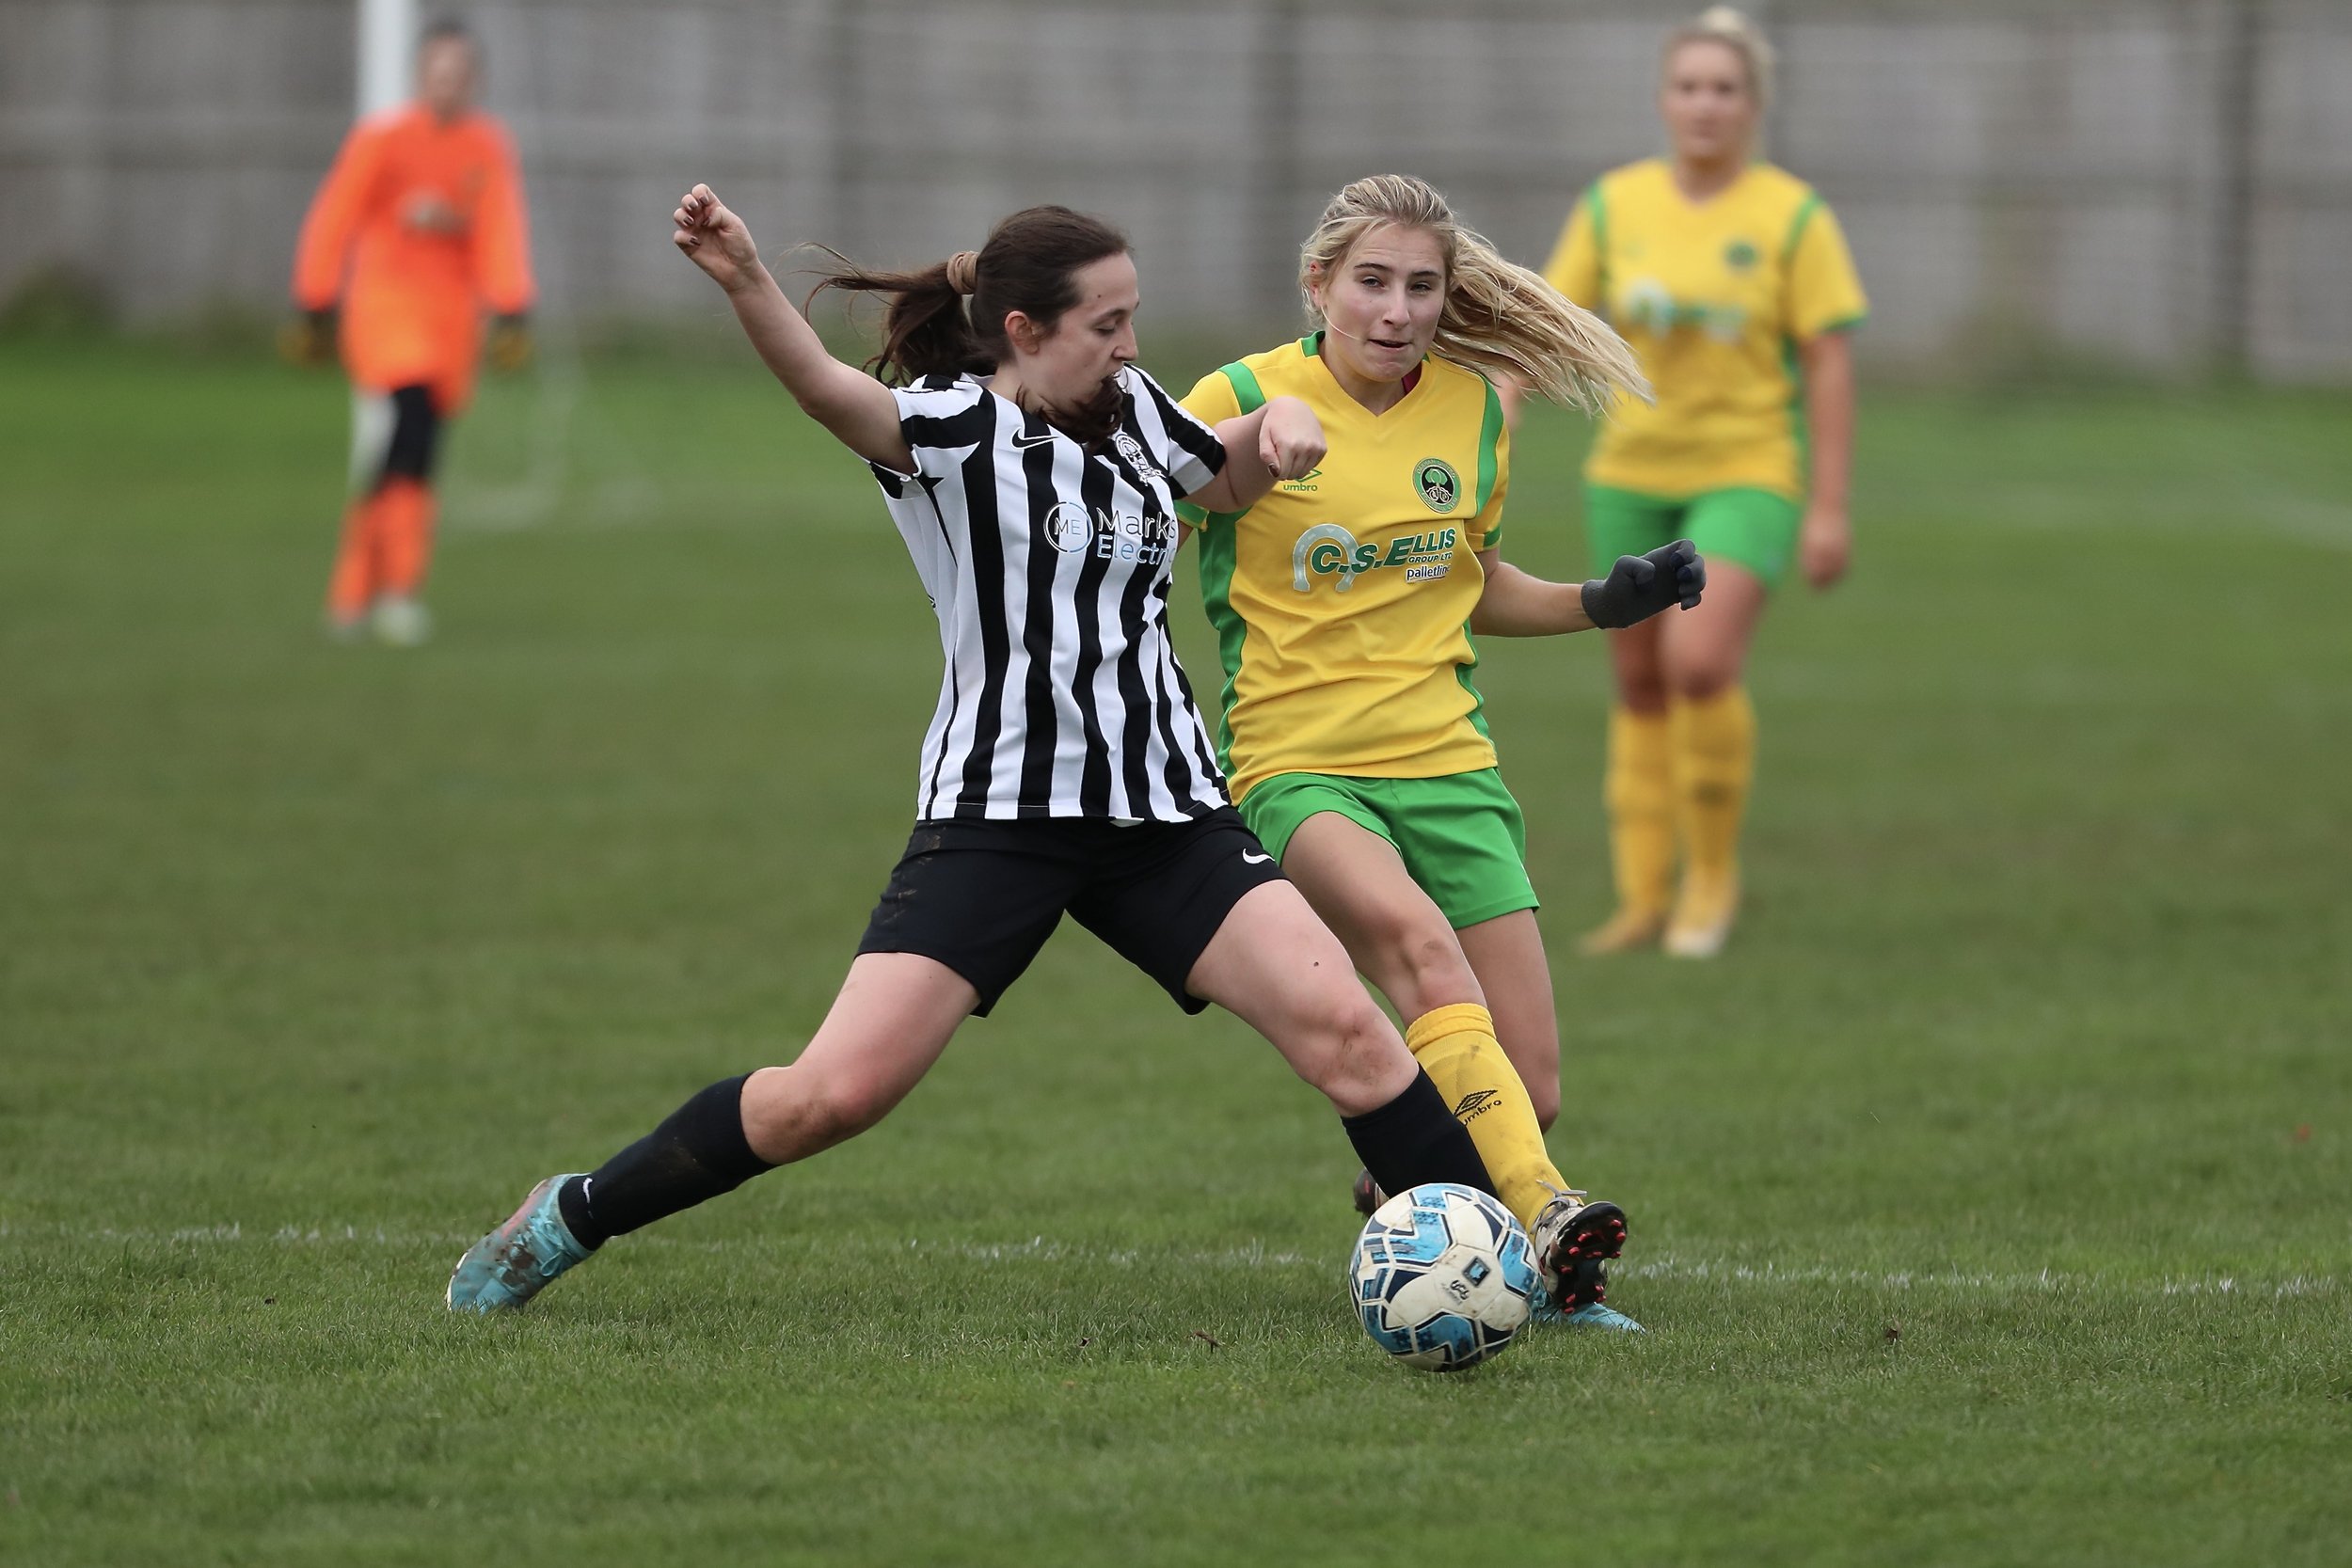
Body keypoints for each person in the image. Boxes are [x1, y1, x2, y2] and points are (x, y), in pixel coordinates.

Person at [447, 185, 1509, 1314]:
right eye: (1106, 323)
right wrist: (748, 278)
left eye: (1132, 317)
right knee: (830, 1096)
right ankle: (574, 1211)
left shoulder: (1134, 408)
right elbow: (826, 389)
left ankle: (1510, 1275)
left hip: (1166, 814)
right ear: (1023, 330)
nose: (1130, 344)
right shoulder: (951, 429)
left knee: (1351, 1035)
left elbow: (1227, 476)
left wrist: (1276, 435)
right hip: (1001, 817)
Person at [1180, 174, 1702, 1329]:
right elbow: (1132, 518)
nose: (1396, 309)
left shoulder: (1470, 410)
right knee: (1424, 956)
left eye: (1420, 286)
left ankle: (1411, 1188)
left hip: (1450, 765)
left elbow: (1469, 583)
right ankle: (1552, 1223)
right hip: (1297, 764)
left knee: (1529, 1086)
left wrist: (1601, 601)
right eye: (1370, 281)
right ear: (1317, 283)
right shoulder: (1241, 394)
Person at [1531, 6, 1867, 958]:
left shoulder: (1792, 217)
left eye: (1724, 88)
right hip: (1629, 472)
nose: (1705, 104)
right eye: (1688, 86)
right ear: (1663, 100)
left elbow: (1828, 361)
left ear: (1753, 104)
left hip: (1747, 468)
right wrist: (1503, 396)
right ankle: (1643, 895)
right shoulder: (1614, 204)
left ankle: (1710, 881)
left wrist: (1829, 507)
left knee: (1699, 662)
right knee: (1638, 677)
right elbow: (1550, 318)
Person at [286, 17, 533, 645]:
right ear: (419, 76)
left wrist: (511, 307)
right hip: (387, 307)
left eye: (459, 73)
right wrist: (315, 300)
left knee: (418, 451)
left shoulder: (486, 146)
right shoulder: (383, 141)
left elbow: (499, 228)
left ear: (474, 80)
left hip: (451, 319)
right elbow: (335, 216)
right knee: (412, 423)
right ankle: (381, 592)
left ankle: (373, 592)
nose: (447, 84)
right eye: (436, 72)